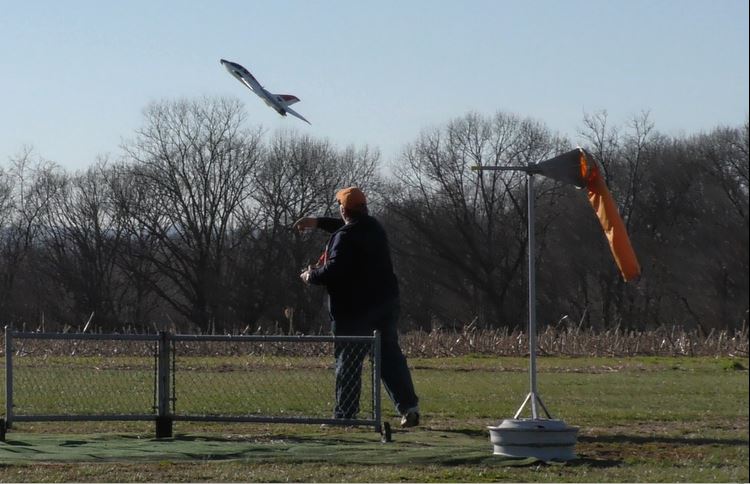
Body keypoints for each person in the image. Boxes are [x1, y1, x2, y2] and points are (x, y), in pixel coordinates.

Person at [294, 186, 420, 428]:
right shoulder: (374, 228)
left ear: (343, 209)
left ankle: (345, 416)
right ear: (364, 207)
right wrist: (318, 222)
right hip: (384, 306)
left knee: (349, 364)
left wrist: (311, 275)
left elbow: (334, 270)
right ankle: (408, 408)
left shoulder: (345, 237)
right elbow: (348, 228)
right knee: (389, 359)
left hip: (353, 312)